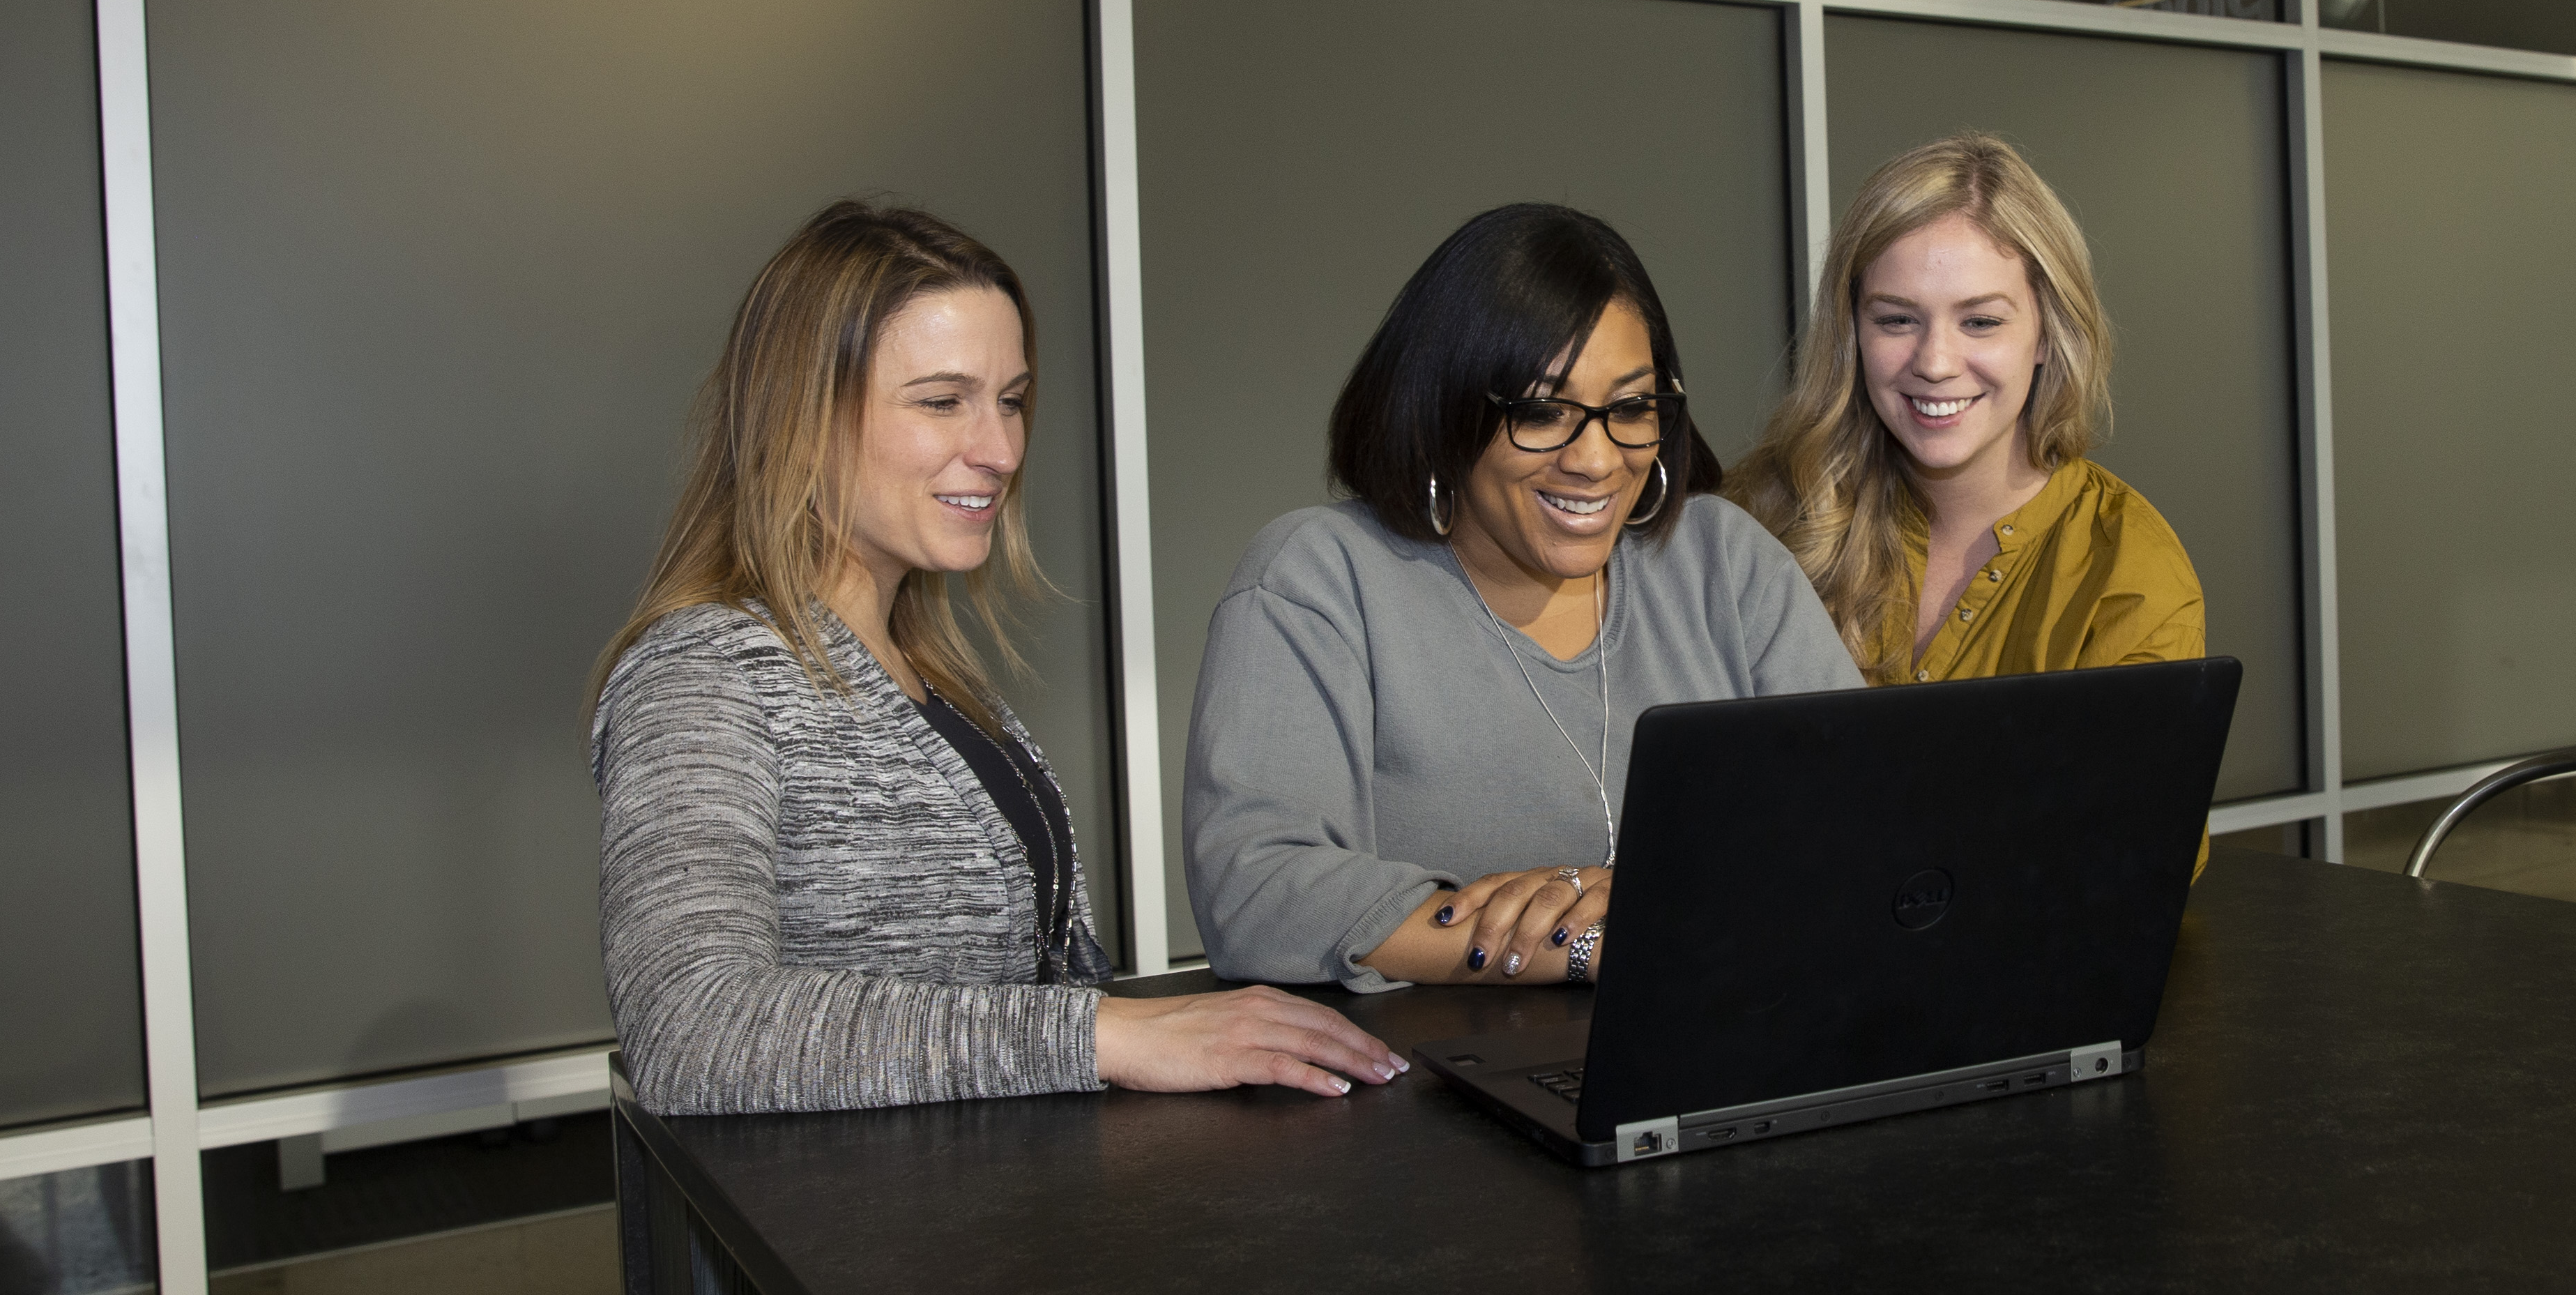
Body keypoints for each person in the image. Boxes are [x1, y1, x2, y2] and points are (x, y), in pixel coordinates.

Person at [591, 201, 1402, 1114]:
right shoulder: (703, 674)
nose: (1003, 449)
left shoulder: (928, 675)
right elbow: (692, 1029)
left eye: (1011, 401)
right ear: (801, 419)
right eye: (943, 402)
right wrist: (1105, 1034)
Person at [1186, 204, 1862, 991]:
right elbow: (1258, 894)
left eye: (1630, 408)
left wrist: (1656, 904)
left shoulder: (1725, 561)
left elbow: (1867, 834)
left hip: (1735, 1035)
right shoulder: (1318, 577)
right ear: (1443, 411)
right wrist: (1596, 942)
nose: (1596, 460)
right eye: (1542, 413)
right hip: (1433, 1064)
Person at [1734, 134, 2206, 688]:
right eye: (1897, 320)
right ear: (1852, 332)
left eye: (1980, 322)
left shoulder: (2130, 572)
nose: (1935, 364)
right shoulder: (1754, 522)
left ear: (2048, 335)